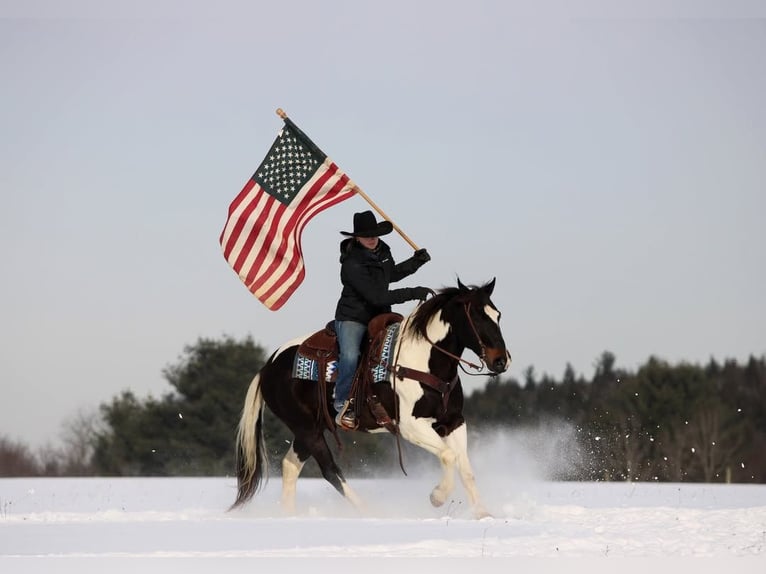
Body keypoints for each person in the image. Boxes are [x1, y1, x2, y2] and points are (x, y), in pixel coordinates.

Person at [333, 210, 431, 429]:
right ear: (356, 237)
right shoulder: (351, 264)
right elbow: (376, 296)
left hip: (380, 316)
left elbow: (391, 275)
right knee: (350, 355)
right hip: (354, 317)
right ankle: (342, 403)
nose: (372, 238)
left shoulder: (382, 250)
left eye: (374, 234)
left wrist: (415, 262)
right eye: (366, 235)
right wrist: (414, 291)